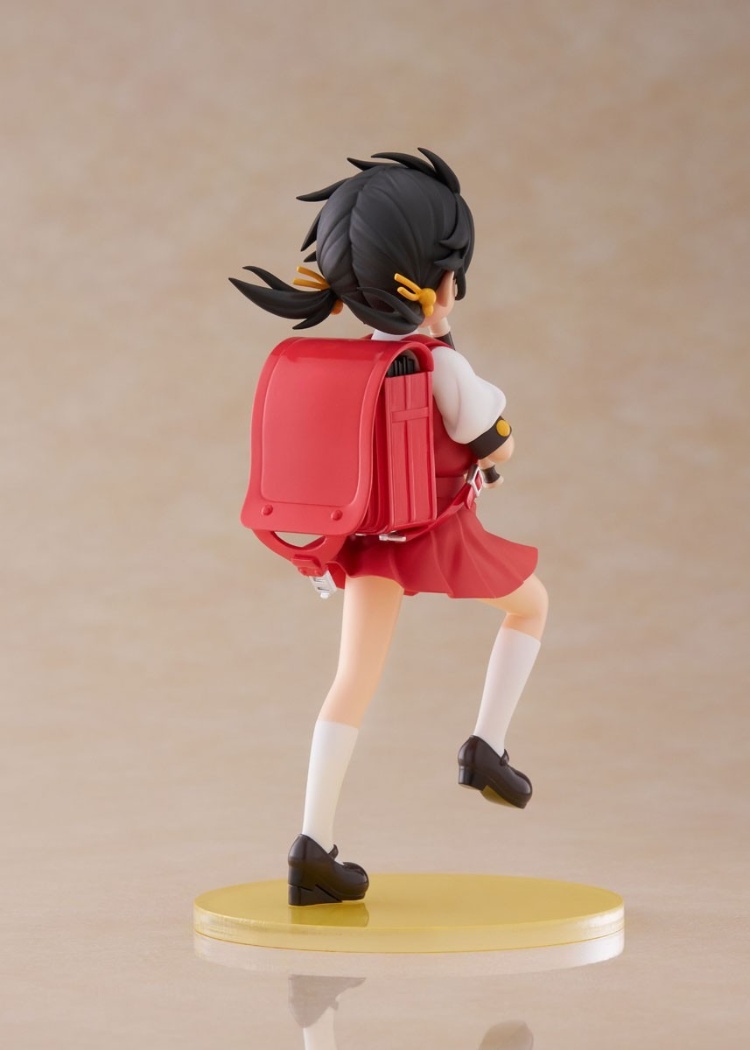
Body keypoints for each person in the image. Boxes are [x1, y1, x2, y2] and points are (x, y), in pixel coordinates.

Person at [230, 149, 548, 906]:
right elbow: (495, 443)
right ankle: (487, 745)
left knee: (352, 680)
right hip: (434, 531)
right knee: (531, 606)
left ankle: (311, 845)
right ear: (438, 283)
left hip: (366, 538)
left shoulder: (357, 365)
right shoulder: (440, 366)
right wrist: (488, 433)